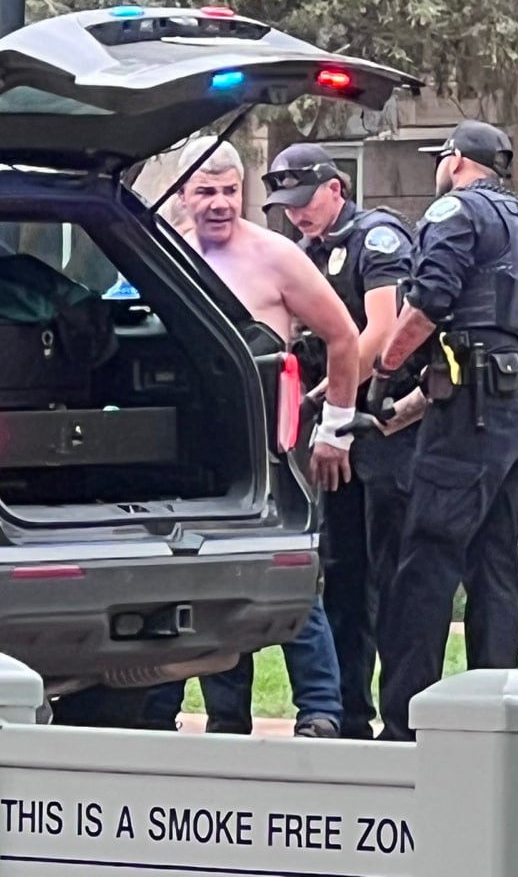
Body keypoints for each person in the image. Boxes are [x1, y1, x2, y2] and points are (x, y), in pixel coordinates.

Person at [142, 136, 360, 737]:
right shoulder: (163, 256)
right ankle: (216, 716)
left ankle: (321, 711)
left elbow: (344, 337)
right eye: (205, 191)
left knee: (286, 573)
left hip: (270, 445)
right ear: (182, 194)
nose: (218, 203)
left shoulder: (277, 256)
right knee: (196, 578)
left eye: (230, 191)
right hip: (190, 450)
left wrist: (337, 428)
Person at [366, 120, 518, 741]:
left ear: (455, 161)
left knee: (426, 559)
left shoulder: (456, 210)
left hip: (473, 415)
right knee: (494, 565)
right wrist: (399, 414)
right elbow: (484, 343)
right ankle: (492, 722)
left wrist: (383, 369)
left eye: (439, 158)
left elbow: (428, 304)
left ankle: (405, 725)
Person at [260, 143, 419, 740]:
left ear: (336, 188)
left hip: (381, 425)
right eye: (287, 205)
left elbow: (381, 328)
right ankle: (351, 711)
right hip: (333, 427)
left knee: (389, 573)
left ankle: (400, 719)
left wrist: (329, 392)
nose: (297, 213)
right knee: (342, 568)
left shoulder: (377, 239)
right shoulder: (305, 252)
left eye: (305, 200)